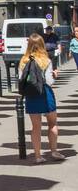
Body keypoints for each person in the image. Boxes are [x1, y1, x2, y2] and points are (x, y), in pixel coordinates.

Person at [19, 32, 62, 163]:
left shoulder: (23, 61)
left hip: (31, 95)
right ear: (42, 45)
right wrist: (55, 74)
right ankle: (54, 151)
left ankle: (38, 156)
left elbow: (21, 79)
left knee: (35, 127)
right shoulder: (46, 60)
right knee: (52, 123)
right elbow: (49, 81)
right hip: (45, 93)